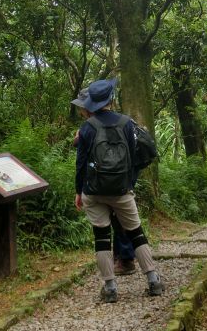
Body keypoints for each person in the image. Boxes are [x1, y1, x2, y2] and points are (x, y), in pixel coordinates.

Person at [74, 78, 163, 303]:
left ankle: (110, 287)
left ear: (93, 103)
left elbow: (81, 163)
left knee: (101, 237)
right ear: (111, 100)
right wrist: (128, 185)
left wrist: (78, 191)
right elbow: (134, 159)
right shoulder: (127, 123)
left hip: (93, 191)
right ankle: (153, 281)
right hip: (122, 190)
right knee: (136, 232)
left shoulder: (87, 127)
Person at [71, 89, 136, 276]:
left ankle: (124, 260)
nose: (81, 110)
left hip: (108, 178)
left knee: (115, 219)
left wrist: (79, 189)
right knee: (120, 217)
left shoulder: (91, 126)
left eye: (83, 107)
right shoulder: (114, 121)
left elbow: (83, 161)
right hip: (121, 175)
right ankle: (123, 258)